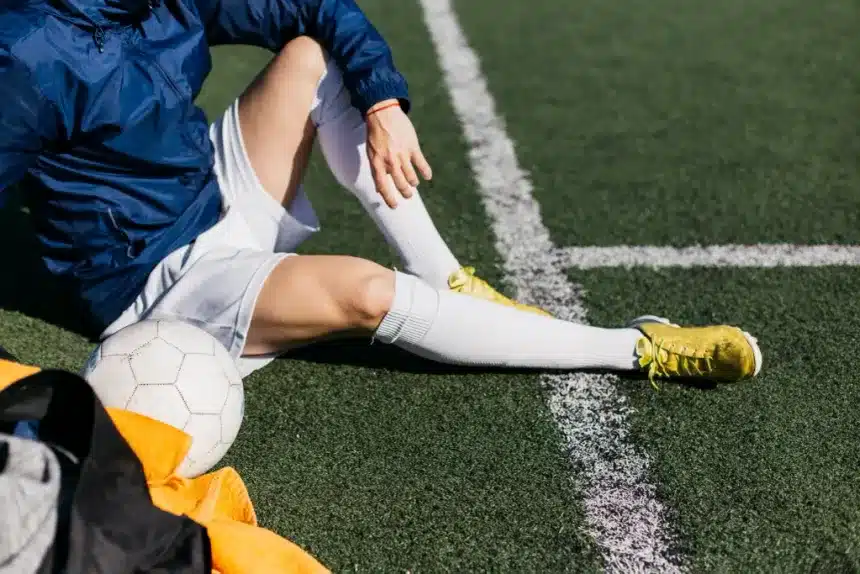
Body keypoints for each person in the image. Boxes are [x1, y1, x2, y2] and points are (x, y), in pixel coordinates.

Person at [0, 0, 761, 383]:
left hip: (213, 190)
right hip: (158, 280)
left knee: (311, 55)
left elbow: (314, 7)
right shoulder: (28, 49)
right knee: (366, 294)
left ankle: (452, 281)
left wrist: (382, 102)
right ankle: (638, 347)